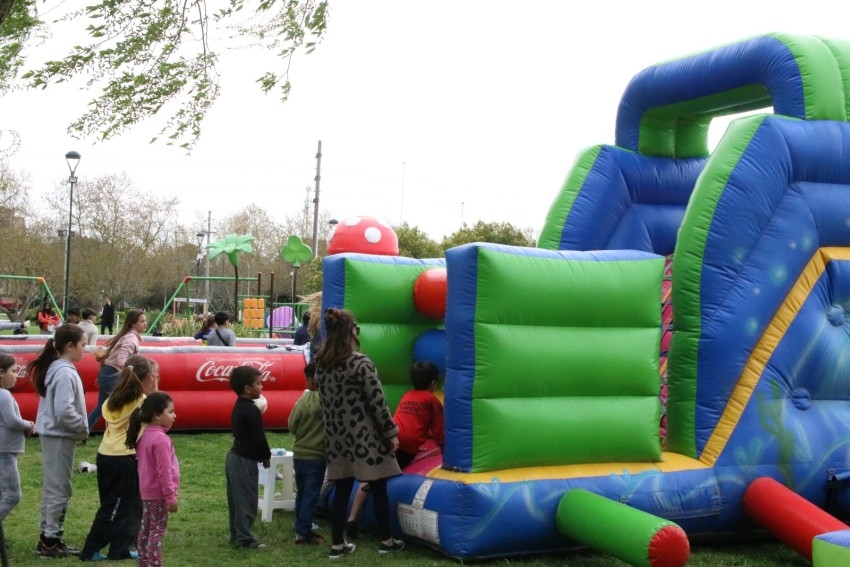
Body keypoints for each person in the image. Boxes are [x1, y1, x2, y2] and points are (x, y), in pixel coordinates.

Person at [316, 307, 404, 558]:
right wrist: (390, 433)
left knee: (341, 489)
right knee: (379, 488)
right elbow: (377, 403)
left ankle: (337, 545)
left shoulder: (321, 364)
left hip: (336, 437)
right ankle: (386, 540)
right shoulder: (361, 363)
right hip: (366, 436)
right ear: (351, 332)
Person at [346, 361, 445, 536]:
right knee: (377, 479)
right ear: (433, 383)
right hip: (404, 447)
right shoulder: (431, 400)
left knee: (369, 477)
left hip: (388, 438)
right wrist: (445, 450)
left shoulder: (407, 396)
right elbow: (439, 430)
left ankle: (352, 518)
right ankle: (375, 483)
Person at [79, 355, 160, 562]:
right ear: (148, 377)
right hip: (123, 458)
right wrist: (154, 388)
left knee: (120, 505)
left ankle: (119, 549)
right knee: (115, 508)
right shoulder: (143, 402)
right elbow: (161, 415)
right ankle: (90, 549)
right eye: (153, 375)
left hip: (106, 454)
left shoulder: (115, 398)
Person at [27, 325, 89, 558]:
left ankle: (48, 537)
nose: (85, 350)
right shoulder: (64, 372)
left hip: (55, 434)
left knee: (53, 487)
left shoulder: (59, 368)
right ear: (70, 346)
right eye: (83, 345)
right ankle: (50, 541)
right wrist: (81, 427)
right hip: (59, 435)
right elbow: (64, 411)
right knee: (59, 489)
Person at [126, 392, 179, 567]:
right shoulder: (161, 440)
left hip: (147, 492)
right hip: (159, 494)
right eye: (170, 412)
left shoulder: (145, 436)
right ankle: (154, 564)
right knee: (156, 531)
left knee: (146, 529)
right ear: (157, 415)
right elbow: (164, 472)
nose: (174, 416)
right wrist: (170, 497)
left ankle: (144, 562)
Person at [225, 366, 271, 549]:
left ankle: (236, 534)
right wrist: (266, 456)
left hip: (234, 458)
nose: (262, 387)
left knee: (236, 501)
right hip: (244, 460)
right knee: (247, 500)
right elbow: (258, 436)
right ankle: (245, 539)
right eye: (258, 384)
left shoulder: (239, 406)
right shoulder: (251, 410)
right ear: (247, 388)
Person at [88, 309, 147, 430]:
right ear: (133, 323)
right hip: (113, 375)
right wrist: (129, 375)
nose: (145, 324)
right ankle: (121, 433)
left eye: (145, 321)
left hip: (108, 372)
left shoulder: (128, 336)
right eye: (142, 321)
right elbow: (121, 360)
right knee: (122, 406)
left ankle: (84, 431)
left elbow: (113, 357)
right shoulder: (131, 339)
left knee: (101, 407)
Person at [288, 361, 326, 545]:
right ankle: (304, 530)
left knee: (302, 492)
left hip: (299, 454)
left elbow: (291, 425)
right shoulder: (329, 401)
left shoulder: (303, 400)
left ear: (312, 380)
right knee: (312, 494)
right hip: (317, 456)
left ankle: (300, 524)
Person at [0, 354, 35, 526]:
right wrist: (29, 424)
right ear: (1, 373)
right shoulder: (4, 395)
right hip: (5, 451)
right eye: (13, 371)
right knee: (12, 495)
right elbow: (12, 421)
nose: (16, 375)